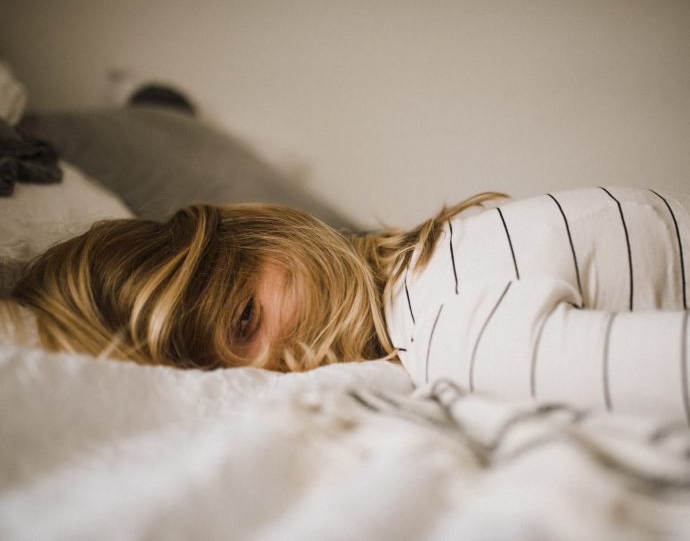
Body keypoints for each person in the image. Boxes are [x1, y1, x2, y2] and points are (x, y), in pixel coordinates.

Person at [2, 187, 689, 419]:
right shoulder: (438, 308)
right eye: (239, 377)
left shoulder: (438, 316)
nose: (284, 367)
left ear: (264, 232)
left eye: (246, 319)